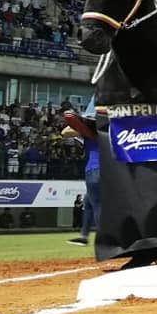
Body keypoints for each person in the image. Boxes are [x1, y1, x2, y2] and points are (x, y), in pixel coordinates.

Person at [63, 106, 100, 247]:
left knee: (97, 205)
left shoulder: (87, 134)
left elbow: (65, 131)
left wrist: (82, 125)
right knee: (89, 203)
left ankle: (106, 239)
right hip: (107, 169)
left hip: (94, 169)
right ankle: (84, 235)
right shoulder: (107, 133)